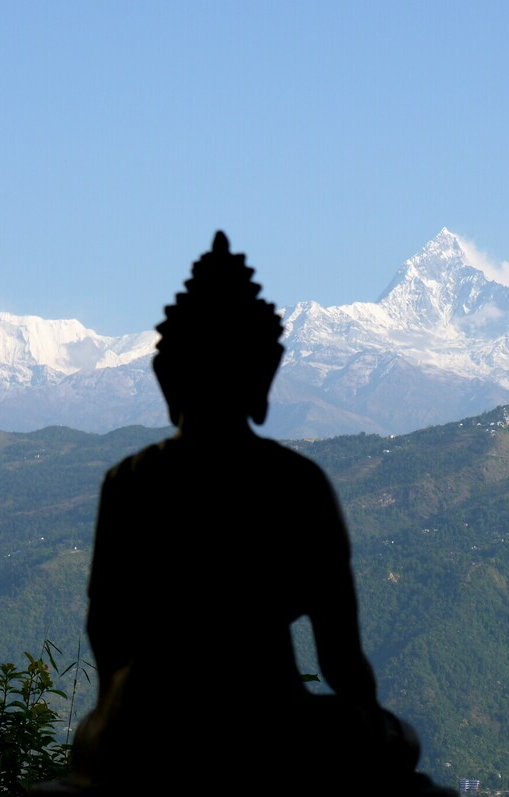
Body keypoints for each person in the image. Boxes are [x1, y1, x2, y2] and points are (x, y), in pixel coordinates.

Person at [45, 232, 450, 795]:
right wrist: (364, 714)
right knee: (390, 740)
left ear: (168, 377)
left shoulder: (132, 480)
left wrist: (113, 707)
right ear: (263, 373)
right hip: (273, 719)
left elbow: (107, 627)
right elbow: (341, 654)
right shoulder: (297, 482)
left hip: (145, 725)